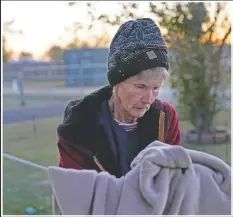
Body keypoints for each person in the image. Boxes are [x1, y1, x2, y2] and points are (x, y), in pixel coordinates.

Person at [56, 18, 181, 178]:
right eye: (140, 87)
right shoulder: (78, 125)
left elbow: (173, 178)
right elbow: (75, 192)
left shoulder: (166, 119)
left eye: (156, 88)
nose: (149, 99)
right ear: (117, 83)